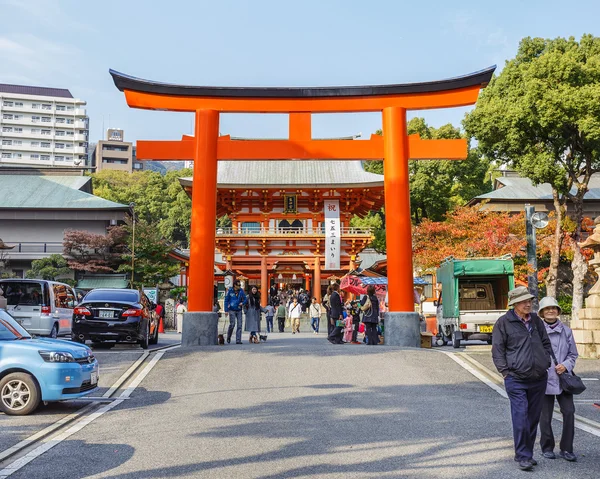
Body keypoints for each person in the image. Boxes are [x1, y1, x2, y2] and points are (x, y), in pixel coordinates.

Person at [492, 286, 553, 471]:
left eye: (530, 301)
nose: (528, 304)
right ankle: (523, 455)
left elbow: (545, 342)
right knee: (521, 417)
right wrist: (505, 371)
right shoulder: (503, 322)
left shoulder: (536, 320)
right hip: (516, 378)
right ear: (514, 304)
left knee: (533, 418)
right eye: (524, 301)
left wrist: (546, 361)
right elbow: (497, 350)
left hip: (539, 377)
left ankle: (527, 453)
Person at [538, 296, 579, 462]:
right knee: (545, 416)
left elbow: (573, 354)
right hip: (543, 378)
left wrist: (566, 365)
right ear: (541, 312)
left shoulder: (567, 331)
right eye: (547, 309)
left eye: (553, 308)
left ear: (558, 311)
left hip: (563, 378)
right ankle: (547, 447)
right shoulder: (536, 331)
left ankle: (567, 449)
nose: (550, 311)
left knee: (569, 412)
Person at [224, 280, 247, 344]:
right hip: (231, 309)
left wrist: (242, 303)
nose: (239, 286)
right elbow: (226, 300)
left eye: (240, 285)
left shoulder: (241, 291)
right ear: (235, 285)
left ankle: (238, 340)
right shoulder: (229, 291)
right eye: (238, 285)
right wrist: (226, 310)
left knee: (239, 325)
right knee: (232, 324)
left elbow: (245, 299)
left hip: (239, 309)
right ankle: (229, 336)